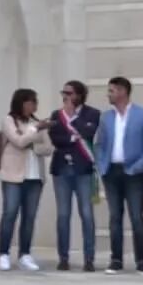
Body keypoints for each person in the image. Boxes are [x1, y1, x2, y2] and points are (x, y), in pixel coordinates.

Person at [94, 76, 143, 276]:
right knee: (115, 217)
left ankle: (141, 260)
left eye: (111, 91)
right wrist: (102, 164)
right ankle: (116, 259)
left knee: (136, 216)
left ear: (122, 91)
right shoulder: (106, 117)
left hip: (134, 172)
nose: (108, 94)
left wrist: (140, 165)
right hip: (111, 171)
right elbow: (99, 143)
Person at [0, 88, 53, 271]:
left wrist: (32, 144)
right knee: (10, 214)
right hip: (13, 175)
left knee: (29, 217)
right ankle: (3, 253)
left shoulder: (37, 122)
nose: (34, 105)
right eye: (31, 101)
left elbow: (47, 148)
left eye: (35, 102)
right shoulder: (9, 120)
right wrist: (33, 132)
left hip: (35, 176)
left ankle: (25, 254)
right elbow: (18, 141)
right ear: (21, 102)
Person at [48, 80, 99, 272]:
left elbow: (88, 132)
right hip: (61, 169)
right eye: (64, 92)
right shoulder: (56, 115)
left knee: (86, 213)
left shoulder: (92, 113)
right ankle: (63, 257)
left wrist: (72, 118)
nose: (65, 96)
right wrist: (72, 136)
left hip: (83, 169)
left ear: (79, 95)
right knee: (63, 214)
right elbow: (56, 138)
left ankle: (89, 258)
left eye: (69, 93)